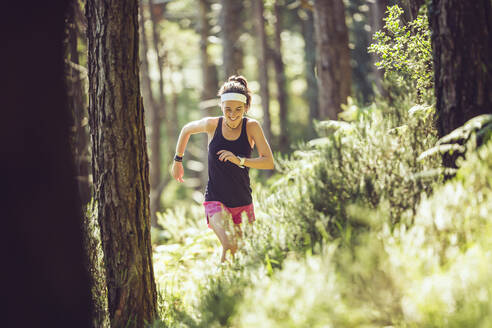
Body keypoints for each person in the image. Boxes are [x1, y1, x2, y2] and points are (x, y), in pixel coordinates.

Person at [171, 75, 275, 264]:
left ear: (245, 108)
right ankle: (218, 288)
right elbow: (186, 129)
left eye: (238, 110)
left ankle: (227, 289)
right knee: (229, 244)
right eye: (228, 110)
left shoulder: (251, 127)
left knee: (241, 253)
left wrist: (240, 160)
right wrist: (178, 160)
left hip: (243, 200)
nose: (233, 115)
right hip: (216, 199)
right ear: (221, 107)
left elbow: (269, 162)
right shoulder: (213, 124)